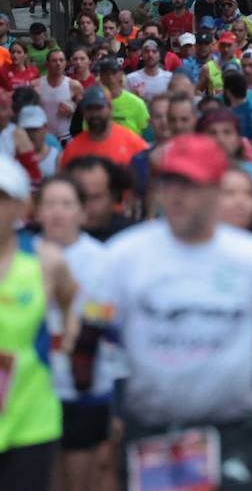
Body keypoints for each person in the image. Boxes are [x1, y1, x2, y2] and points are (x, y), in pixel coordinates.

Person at [76, 135, 252, 491]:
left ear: (215, 190)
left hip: (232, 425)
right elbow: (91, 329)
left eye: (191, 184)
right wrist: (100, 406)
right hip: (151, 428)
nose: (177, 195)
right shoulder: (125, 256)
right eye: (170, 183)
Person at [35, 175, 118, 491]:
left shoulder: (103, 260)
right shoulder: (24, 254)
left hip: (86, 387)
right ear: (36, 211)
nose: (57, 212)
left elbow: (110, 323)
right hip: (34, 389)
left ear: (82, 212)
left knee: (82, 480)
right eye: (49, 204)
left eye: (66, 204)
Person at [0, 157, 78, 490]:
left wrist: (66, 344)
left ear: (22, 207)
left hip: (31, 420)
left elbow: (72, 303)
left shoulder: (46, 261)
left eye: (2, 199)